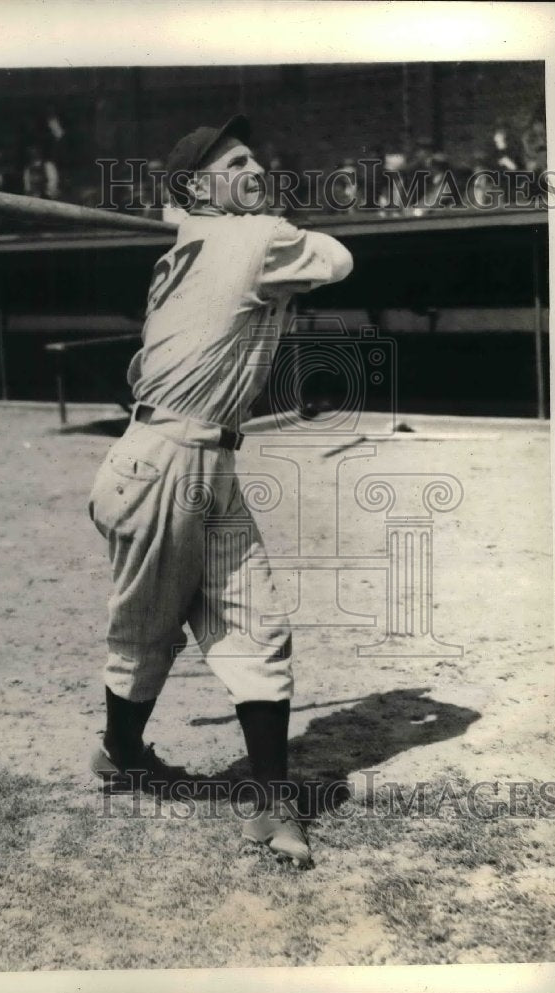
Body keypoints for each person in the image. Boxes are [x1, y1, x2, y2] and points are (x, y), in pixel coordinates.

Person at [87, 115, 353, 867]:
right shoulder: (249, 236)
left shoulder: (195, 246)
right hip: (161, 463)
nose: (257, 166)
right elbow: (336, 258)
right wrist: (235, 224)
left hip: (201, 461)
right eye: (235, 162)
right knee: (146, 635)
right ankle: (120, 751)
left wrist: (204, 219)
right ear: (196, 186)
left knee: (258, 628)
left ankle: (272, 807)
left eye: (255, 155)